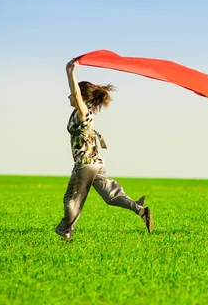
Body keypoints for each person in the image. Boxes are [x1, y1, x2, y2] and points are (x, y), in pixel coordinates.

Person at [55, 59, 153, 241]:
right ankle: (139, 209)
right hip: (97, 164)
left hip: (85, 164)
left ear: (81, 97)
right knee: (110, 195)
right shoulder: (86, 112)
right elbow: (77, 95)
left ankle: (66, 233)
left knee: (73, 199)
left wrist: (70, 72)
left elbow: (76, 93)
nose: (69, 97)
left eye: (71, 94)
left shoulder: (83, 112)